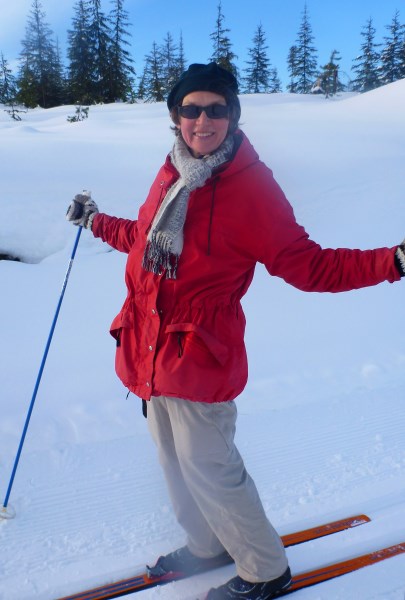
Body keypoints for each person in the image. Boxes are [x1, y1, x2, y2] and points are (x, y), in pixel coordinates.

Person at [66, 62, 405, 600]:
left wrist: (395, 261)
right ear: (175, 116)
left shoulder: (251, 187)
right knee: (174, 464)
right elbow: (145, 238)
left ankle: (266, 569)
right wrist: (94, 221)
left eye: (216, 109)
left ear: (234, 115)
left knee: (212, 468)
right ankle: (206, 546)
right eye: (191, 109)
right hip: (149, 348)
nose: (203, 120)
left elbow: (309, 265)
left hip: (200, 355)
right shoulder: (172, 171)